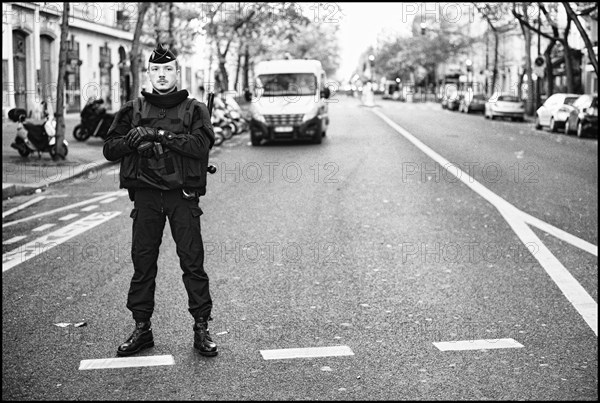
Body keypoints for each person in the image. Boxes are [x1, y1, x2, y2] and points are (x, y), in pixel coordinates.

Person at [103, 44, 218, 357]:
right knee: (143, 264)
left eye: (168, 70)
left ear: (177, 73)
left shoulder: (195, 109)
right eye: (156, 70)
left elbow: (199, 147)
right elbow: (109, 149)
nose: (162, 75)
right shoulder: (133, 109)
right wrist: (132, 139)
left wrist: (158, 136)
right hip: (146, 197)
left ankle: (201, 327)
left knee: (192, 262)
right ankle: (142, 329)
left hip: (182, 198)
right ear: (149, 73)